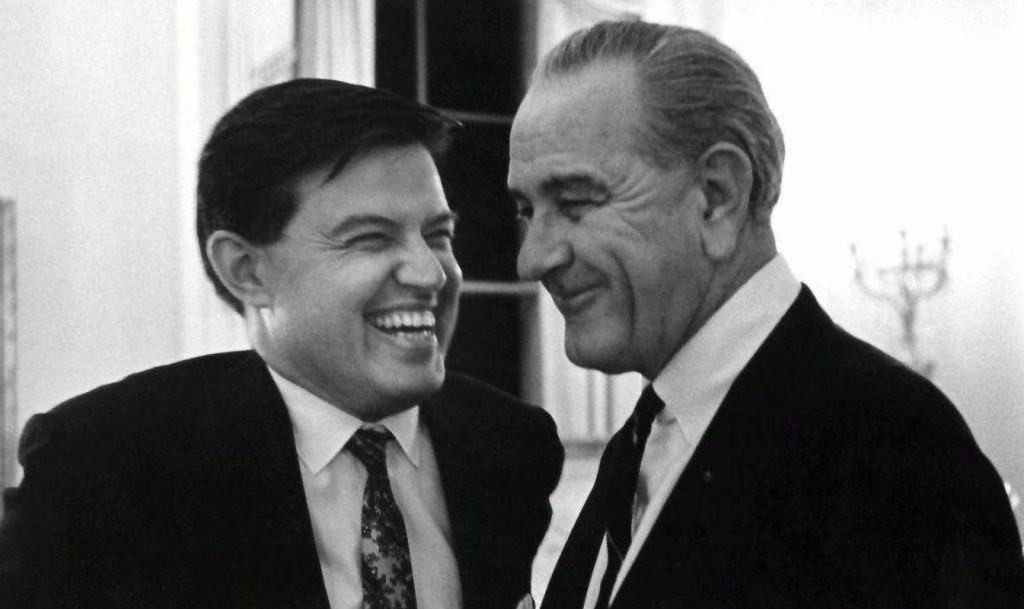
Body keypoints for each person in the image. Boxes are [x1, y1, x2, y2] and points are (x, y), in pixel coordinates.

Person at [507, 20, 1024, 609]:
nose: (532, 258)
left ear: (717, 197)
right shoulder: (645, 440)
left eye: (574, 201)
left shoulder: (895, 452)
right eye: (527, 210)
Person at [0, 78, 563, 609]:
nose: (432, 273)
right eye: (370, 239)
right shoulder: (103, 466)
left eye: (438, 235)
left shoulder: (512, 448)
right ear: (246, 270)